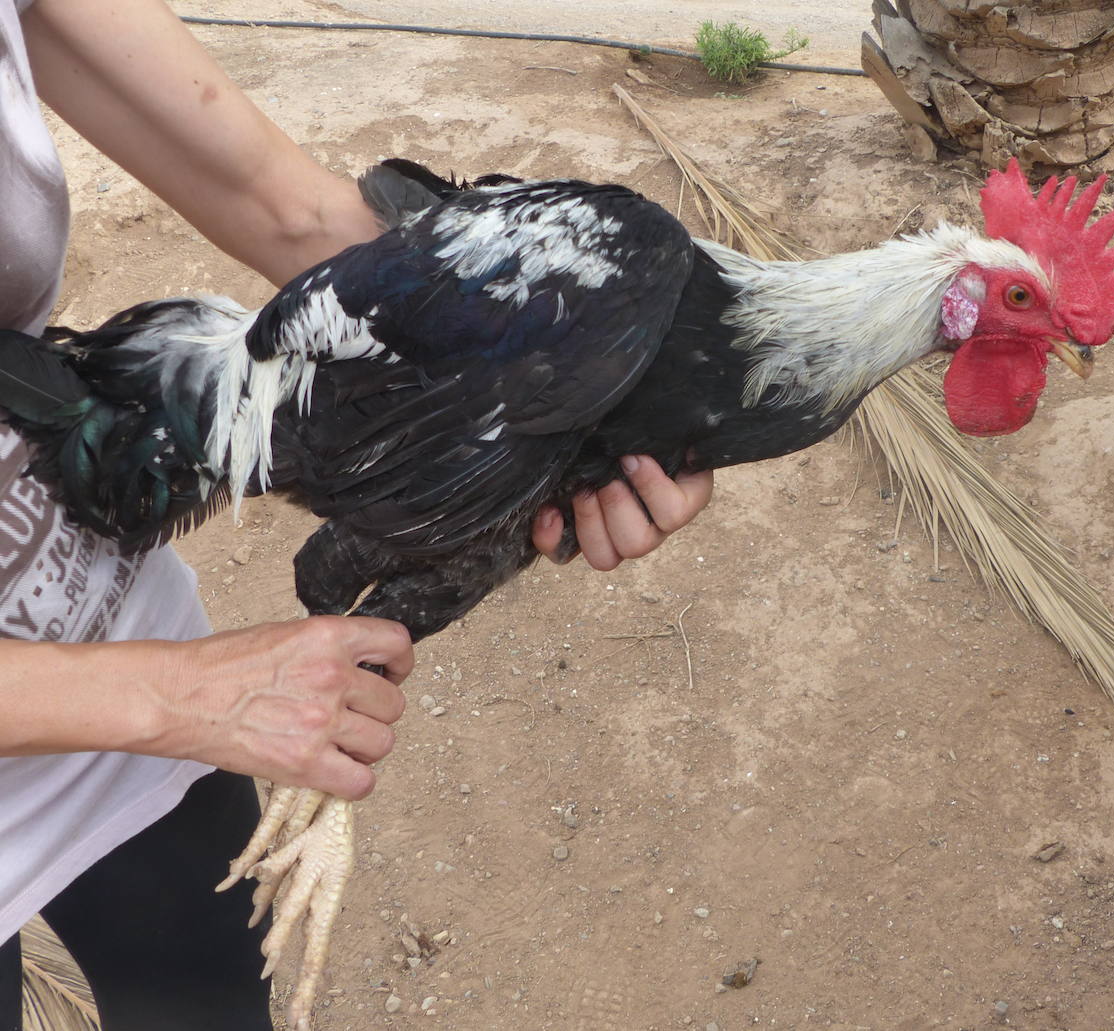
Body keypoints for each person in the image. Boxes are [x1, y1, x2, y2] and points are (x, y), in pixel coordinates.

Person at [0, 1, 715, 1028]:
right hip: (141, 695)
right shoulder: (177, 695)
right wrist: (178, 694)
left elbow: (296, 217)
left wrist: (581, 397)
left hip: (110, 626)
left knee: (210, 1005)